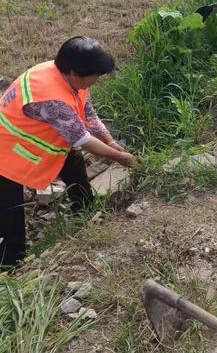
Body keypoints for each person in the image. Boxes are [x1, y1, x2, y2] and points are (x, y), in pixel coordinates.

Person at [0, 36, 135, 269]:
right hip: (8, 151)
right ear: (74, 72)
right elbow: (81, 138)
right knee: (10, 213)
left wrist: (110, 141)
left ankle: (84, 212)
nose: (96, 81)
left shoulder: (69, 79)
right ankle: (11, 266)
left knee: (74, 165)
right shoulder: (52, 97)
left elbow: (88, 114)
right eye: (95, 76)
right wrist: (120, 157)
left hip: (38, 137)